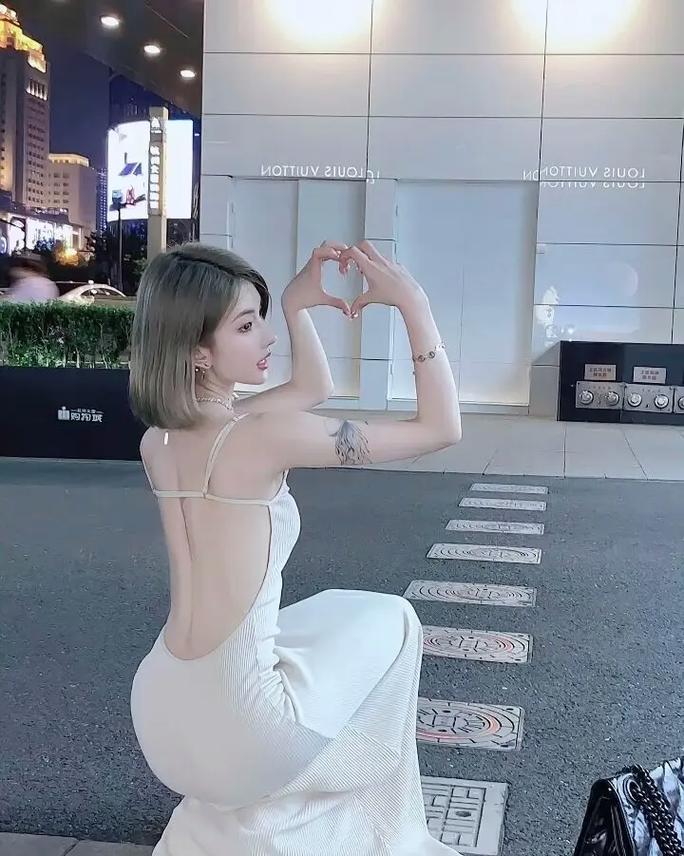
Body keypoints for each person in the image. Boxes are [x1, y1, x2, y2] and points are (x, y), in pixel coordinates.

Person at [129, 239, 463, 855]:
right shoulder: (261, 436)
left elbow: (313, 385)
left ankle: (298, 803)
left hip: (160, 707)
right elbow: (442, 427)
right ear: (198, 352)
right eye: (246, 326)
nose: (267, 338)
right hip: (242, 725)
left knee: (335, 608)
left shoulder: (161, 438)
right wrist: (413, 305)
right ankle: (378, 829)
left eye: (262, 319)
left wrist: (295, 306)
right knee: (397, 619)